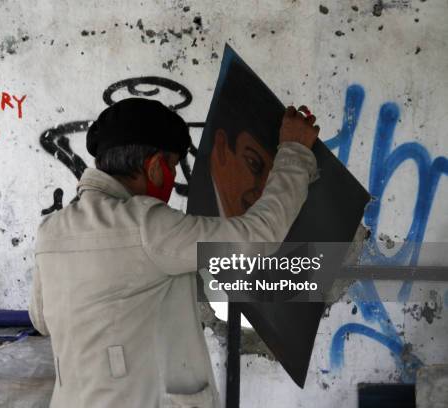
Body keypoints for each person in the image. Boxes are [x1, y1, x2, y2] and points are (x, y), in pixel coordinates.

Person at [29, 97, 319, 408]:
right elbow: (257, 238)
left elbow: (41, 320)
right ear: (154, 167)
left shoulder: (51, 231)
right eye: (170, 166)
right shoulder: (146, 224)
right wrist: (295, 153)